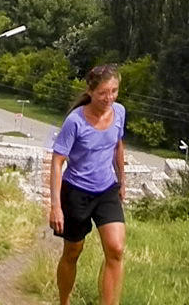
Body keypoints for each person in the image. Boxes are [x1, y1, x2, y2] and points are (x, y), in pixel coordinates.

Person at [45, 64, 129, 305]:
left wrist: (122, 182)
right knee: (73, 252)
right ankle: (64, 301)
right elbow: (57, 161)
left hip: (106, 190)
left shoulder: (119, 112)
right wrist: (55, 206)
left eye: (114, 91)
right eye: (103, 92)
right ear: (90, 91)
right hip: (76, 193)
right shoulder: (75, 121)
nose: (109, 97)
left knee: (116, 249)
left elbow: (118, 147)